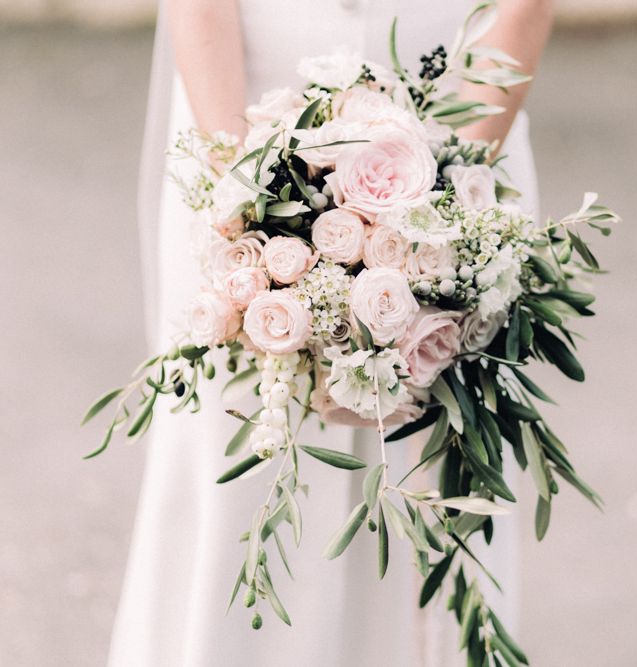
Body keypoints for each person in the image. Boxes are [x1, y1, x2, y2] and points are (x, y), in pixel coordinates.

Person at [109, 1, 553, 665]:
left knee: (434, 474)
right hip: (241, 104)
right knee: (235, 463)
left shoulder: (460, 166)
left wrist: (449, 207)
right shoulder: (235, 163)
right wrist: (244, 207)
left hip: (462, 106)